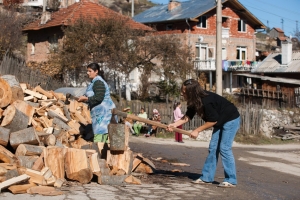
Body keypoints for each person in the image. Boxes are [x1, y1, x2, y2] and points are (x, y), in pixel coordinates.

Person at [167, 79, 240, 188]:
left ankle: (231, 180)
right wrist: (175, 124)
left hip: (231, 119)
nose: (182, 93)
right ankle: (207, 178)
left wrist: (197, 130)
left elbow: (212, 121)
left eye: (184, 91)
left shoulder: (206, 101)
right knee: (213, 148)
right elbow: (188, 116)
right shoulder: (194, 101)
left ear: (191, 91)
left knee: (224, 148)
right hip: (220, 120)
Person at [77, 63, 116, 143]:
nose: (88, 73)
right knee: (101, 135)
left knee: (102, 135)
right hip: (99, 114)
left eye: (90, 71)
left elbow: (99, 97)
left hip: (104, 114)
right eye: (87, 71)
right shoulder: (93, 83)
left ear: (96, 71)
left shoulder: (98, 82)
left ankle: (102, 153)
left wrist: (86, 99)